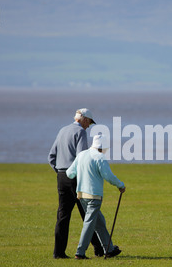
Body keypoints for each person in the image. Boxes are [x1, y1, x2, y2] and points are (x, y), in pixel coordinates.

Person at [48, 108, 104, 259]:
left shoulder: (62, 130)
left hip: (61, 176)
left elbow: (51, 156)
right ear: (84, 119)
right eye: (89, 123)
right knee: (88, 213)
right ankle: (99, 249)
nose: (89, 126)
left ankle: (58, 252)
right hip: (76, 177)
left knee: (63, 215)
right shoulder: (80, 132)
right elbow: (81, 158)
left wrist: (61, 172)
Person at [66, 134, 125, 259]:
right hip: (94, 196)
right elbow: (108, 176)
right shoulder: (100, 158)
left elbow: (69, 173)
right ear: (102, 147)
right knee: (89, 224)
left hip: (81, 195)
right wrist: (120, 185)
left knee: (99, 222)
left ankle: (109, 249)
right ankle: (80, 252)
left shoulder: (81, 155)